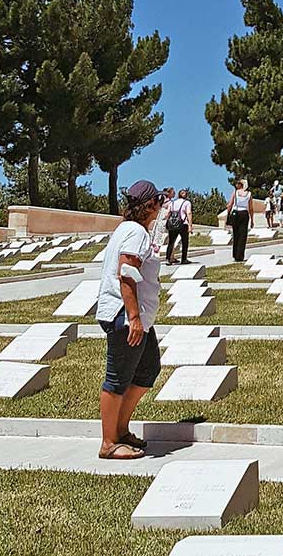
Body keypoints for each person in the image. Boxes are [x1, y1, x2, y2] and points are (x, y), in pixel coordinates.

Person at [96, 179, 164, 460]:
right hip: (125, 316)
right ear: (150, 205)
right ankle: (108, 442)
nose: (160, 206)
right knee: (118, 378)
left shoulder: (128, 229)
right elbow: (127, 272)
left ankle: (121, 430)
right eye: (158, 201)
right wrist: (134, 317)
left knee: (148, 369)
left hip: (137, 317)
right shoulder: (135, 233)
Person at [225, 179, 254, 261]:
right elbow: (251, 208)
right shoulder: (249, 194)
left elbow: (230, 204)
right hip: (244, 213)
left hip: (236, 213)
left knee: (236, 234)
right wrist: (252, 219)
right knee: (243, 235)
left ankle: (235, 255)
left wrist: (228, 214)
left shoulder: (235, 192)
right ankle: (240, 255)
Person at [164, 188, 192, 264]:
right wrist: (190, 225)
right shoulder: (187, 203)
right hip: (183, 224)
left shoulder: (172, 203)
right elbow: (188, 213)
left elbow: (168, 213)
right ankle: (184, 259)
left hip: (172, 224)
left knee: (171, 242)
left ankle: (168, 259)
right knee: (184, 242)